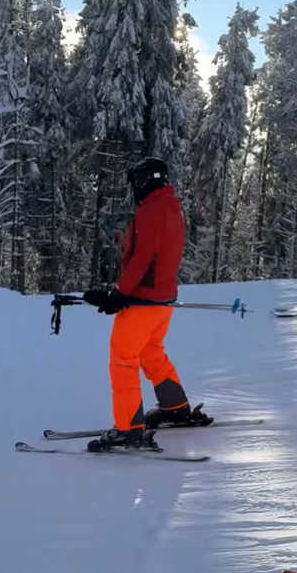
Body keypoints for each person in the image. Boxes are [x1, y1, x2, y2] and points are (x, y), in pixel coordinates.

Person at [81, 157, 210, 451]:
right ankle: (175, 407)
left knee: (123, 360)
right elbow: (153, 253)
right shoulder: (171, 208)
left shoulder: (151, 211)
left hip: (143, 301)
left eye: (137, 181)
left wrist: (120, 291)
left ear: (147, 180)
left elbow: (145, 258)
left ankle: (129, 430)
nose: (135, 187)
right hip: (162, 302)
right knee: (151, 353)